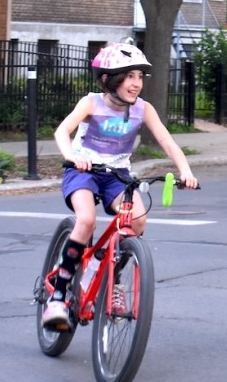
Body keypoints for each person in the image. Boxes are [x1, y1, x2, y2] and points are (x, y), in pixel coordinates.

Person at [42, 41, 199, 330]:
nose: (136, 83)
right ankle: (59, 296)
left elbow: (167, 141)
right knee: (86, 220)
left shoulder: (143, 109)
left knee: (136, 221)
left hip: (118, 174)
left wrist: (186, 171)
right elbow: (62, 131)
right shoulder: (91, 103)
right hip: (84, 170)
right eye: (129, 76)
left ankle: (109, 273)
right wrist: (72, 156)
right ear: (109, 80)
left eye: (139, 76)